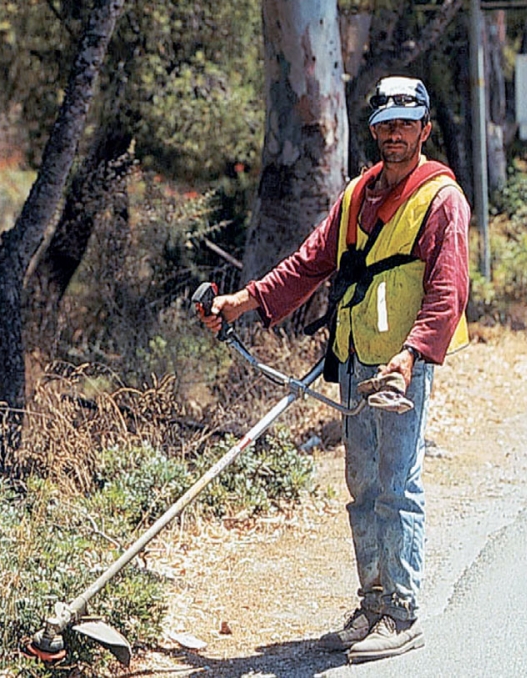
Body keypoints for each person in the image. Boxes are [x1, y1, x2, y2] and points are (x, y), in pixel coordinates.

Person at [197, 76, 470, 663]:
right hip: (352, 358)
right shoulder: (356, 195)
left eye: (406, 124)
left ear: (424, 129)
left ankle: (401, 611)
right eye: (386, 125)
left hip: (400, 366)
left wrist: (411, 355)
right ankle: (372, 603)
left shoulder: (442, 200)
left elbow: (448, 291)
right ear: (373, 130)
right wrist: (245, 301)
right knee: (362, 485)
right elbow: (309, 263)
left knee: (396, 486)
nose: (395, 135)